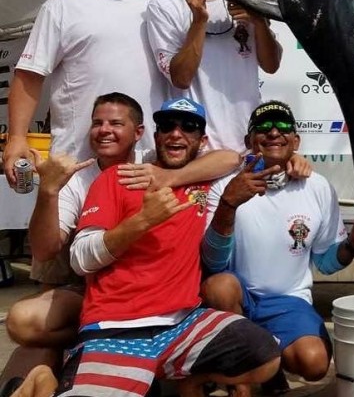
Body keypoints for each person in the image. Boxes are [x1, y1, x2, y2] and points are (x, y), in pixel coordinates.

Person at [1, 94, 241, 392]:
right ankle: (87, 353)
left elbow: (230, 158)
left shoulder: (153, 161)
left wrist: (169, 175)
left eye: (116, 123)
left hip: (161, 292)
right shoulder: (76, 177)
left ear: (139, 133)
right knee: (22, 322)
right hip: (98, 292)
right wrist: (48, 191)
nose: (104, 130)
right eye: (97, 123)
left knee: (223, 287)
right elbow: (44, 250)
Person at [50, 97, 281, 396]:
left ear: (202, 141)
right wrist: (142, 221)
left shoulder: (204, 183)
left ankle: (179, 381)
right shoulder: (117, 178)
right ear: (155, 136)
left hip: (183, 324)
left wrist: (226, 204)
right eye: (167, 126)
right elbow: (80, 259)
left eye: (189, 127)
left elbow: (214, 256)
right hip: (116, 328)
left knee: (265, 355)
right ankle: (49, 378)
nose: (176, 133)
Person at [201, 100, 354, 393]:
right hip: (238, 300)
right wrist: (228, 205)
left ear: (296, 141)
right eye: (263, 127)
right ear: (248, 141)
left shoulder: (317, 186)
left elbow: (324, 262)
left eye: (283, 126)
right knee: (220, 286)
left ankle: (264, 358)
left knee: (314, 364)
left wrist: (352, 245)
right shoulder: (224, 186)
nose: (274, 132)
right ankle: (252, 375)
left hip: (289, 302)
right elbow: (213, 263)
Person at [3, 0, 166, 185]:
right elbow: (29, 76)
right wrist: (17, 138)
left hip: (148, 166)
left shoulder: (165, 10)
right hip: (74, 168)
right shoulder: (63, 5)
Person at [146, 0, 282, 150]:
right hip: (193, 145)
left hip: (247, 141)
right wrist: (199, 19)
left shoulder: (249, 0)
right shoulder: (164, 5)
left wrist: (259, 22)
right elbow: (181, 78)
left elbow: (271, 65)